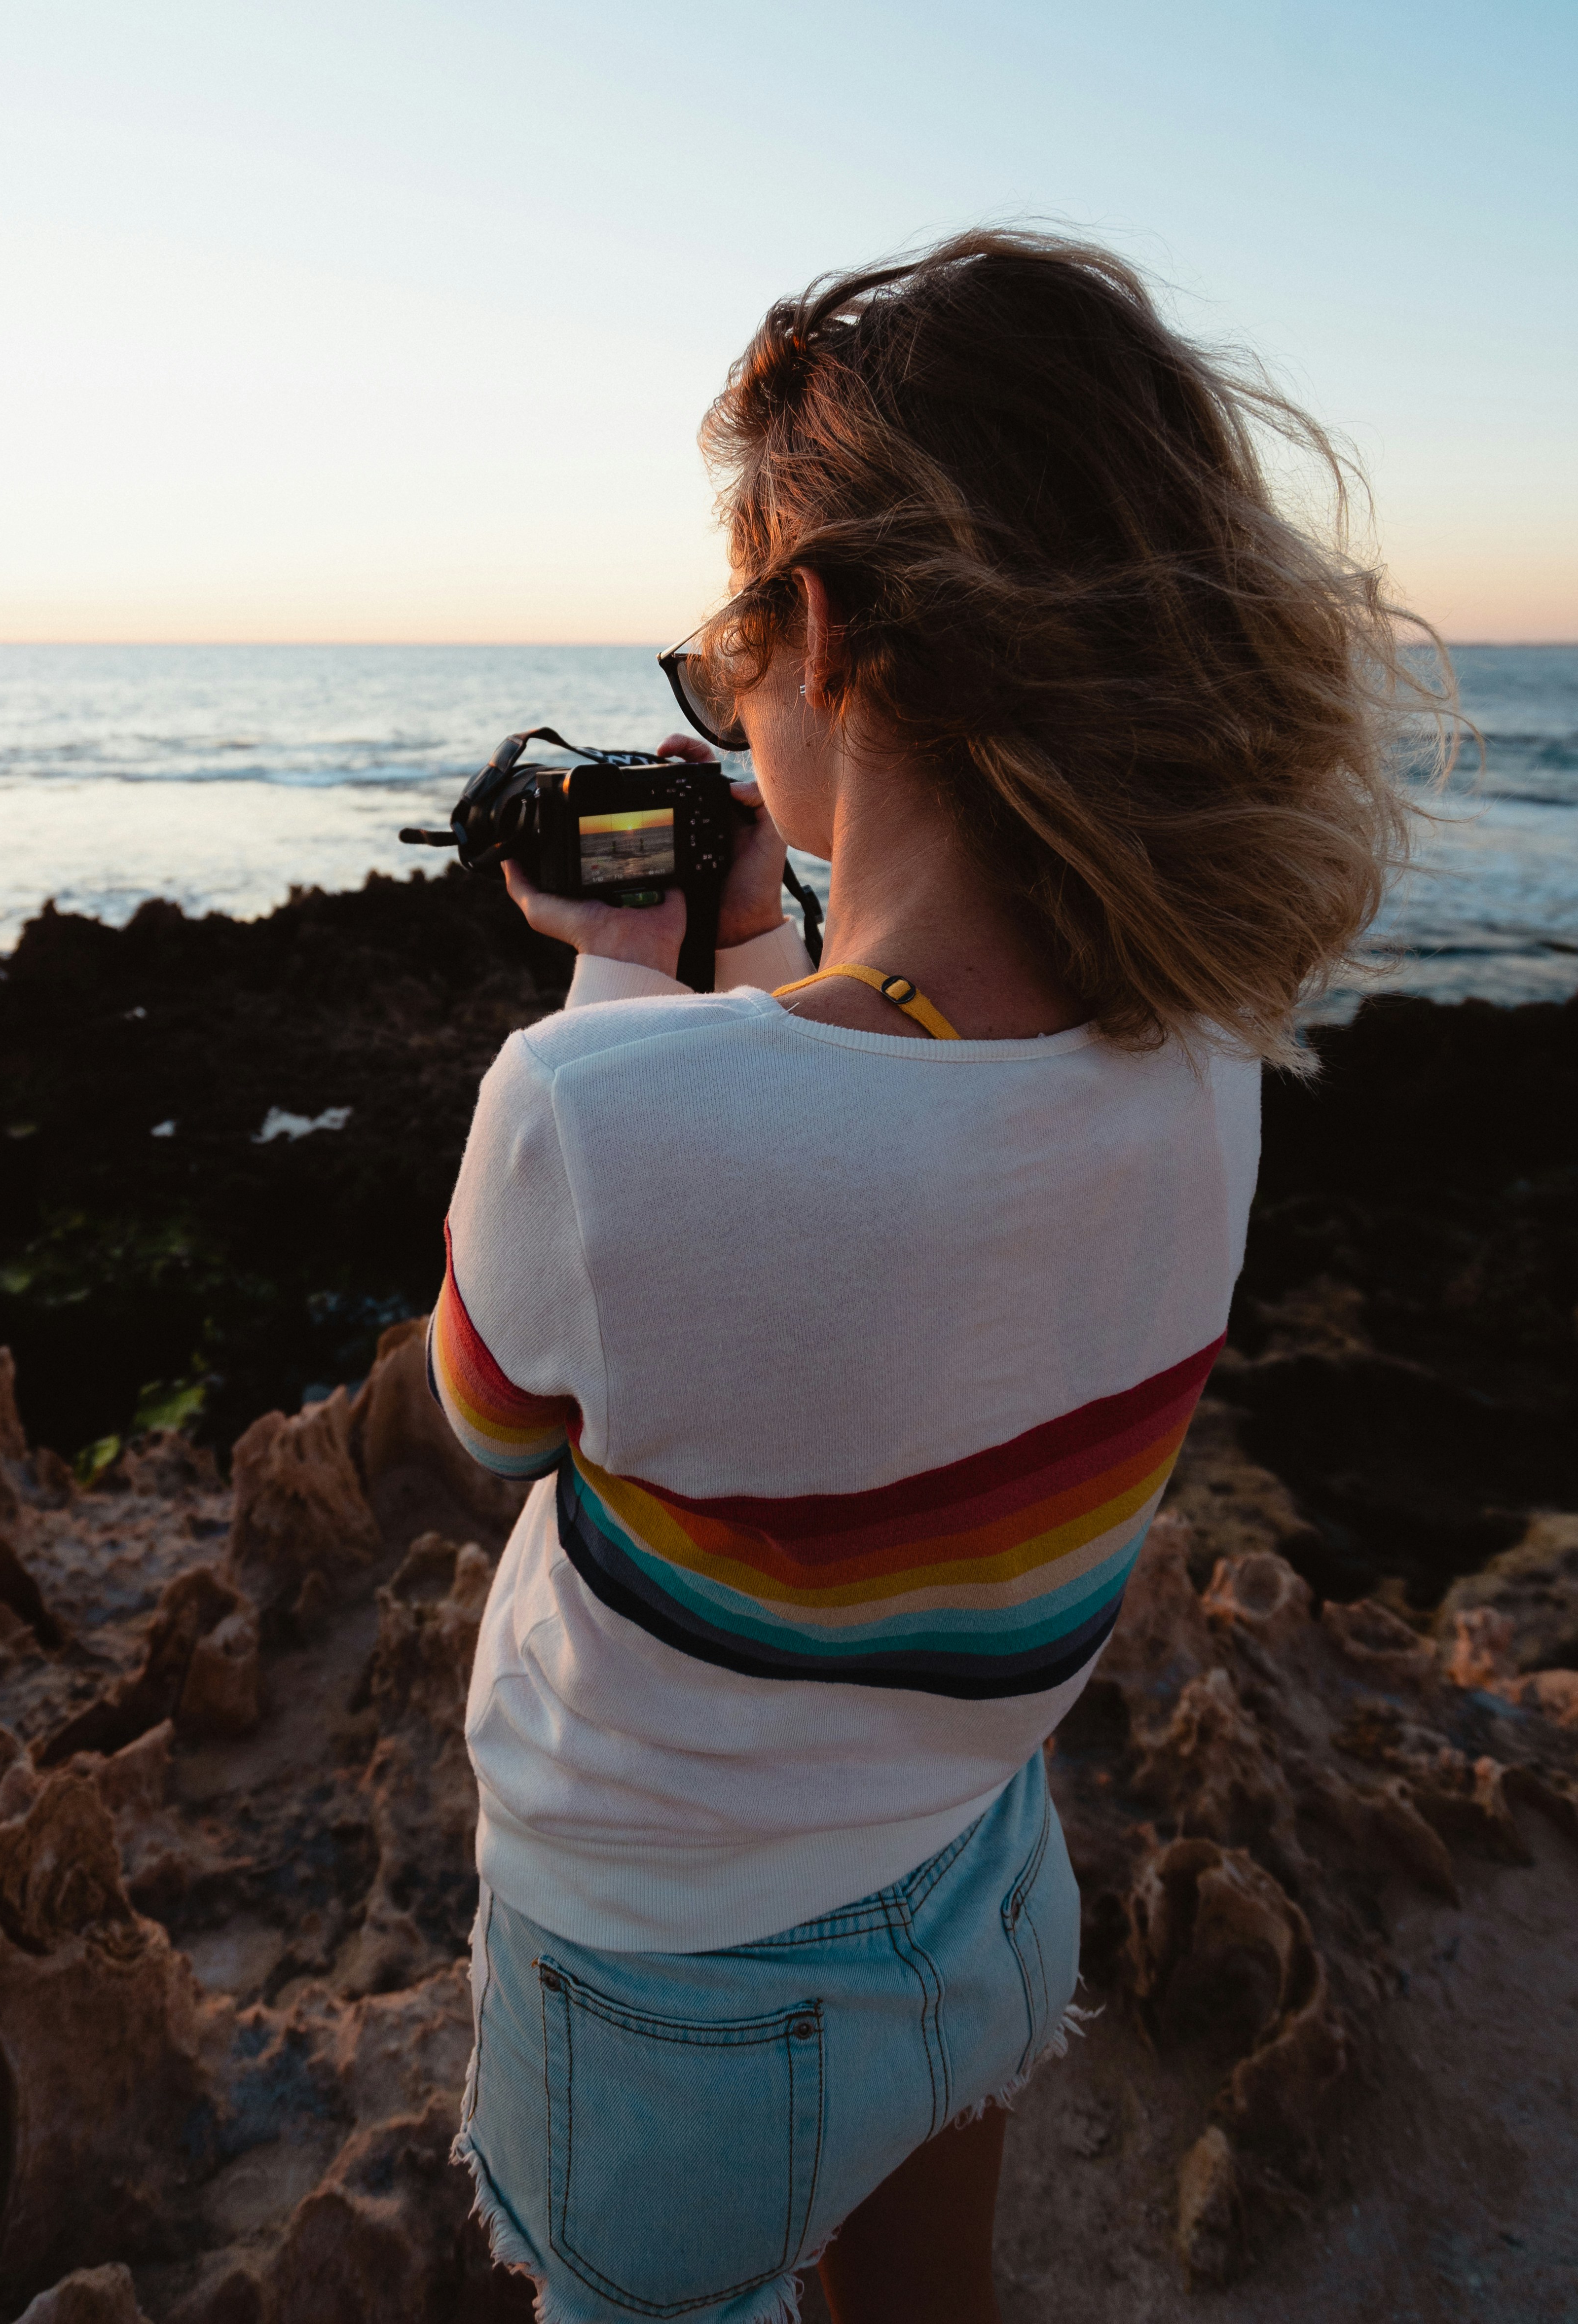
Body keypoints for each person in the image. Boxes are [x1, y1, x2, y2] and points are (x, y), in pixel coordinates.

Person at [430, 228, 1445, 2324]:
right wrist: (755, 960)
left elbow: (483, 1413)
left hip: (672, 1973)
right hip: (982, 1885)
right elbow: (901, 1144)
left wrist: (621, 966)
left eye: (724, 653)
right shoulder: (1207, 1059)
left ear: (815, 626)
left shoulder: (594, 1115)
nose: (720, 700)